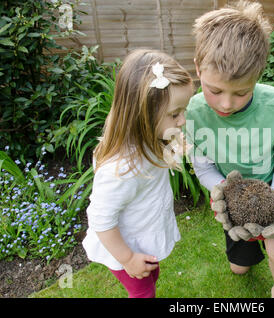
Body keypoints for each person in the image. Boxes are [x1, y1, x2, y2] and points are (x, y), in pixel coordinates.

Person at [185, 1, 274, 298]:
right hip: (233, 197)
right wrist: (223, 192)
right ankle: (248, 255)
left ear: (258, 76)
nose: (226, 104)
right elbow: (203, 166)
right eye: (215, 90)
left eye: (241, 93)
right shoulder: (193, 111)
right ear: (198, 68)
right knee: (239, 268)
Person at [82, 49, 194, 298]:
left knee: (151, 276)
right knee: (143, 292)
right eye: (175, 114)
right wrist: (129, 258)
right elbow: (101, 219)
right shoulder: (121, 168)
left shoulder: (149, 138)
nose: (182, 120)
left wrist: (176, 149)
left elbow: (157, 159)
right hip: (127, 246)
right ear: (142, 113)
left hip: (144, 234)